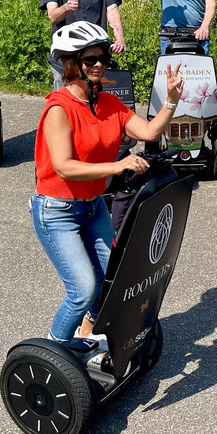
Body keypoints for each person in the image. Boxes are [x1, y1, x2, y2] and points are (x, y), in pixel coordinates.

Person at [32, 20, 184, 343]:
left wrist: (171, 100)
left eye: (103, 58)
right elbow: (64, 167)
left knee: (112, 278)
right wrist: (117, 167)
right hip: (56, 211)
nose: (99, 64)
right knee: (83, 289)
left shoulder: (110, 105)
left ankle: (87, 330)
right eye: (90, 60)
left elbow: (150, 132)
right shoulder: (59, 108)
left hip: (91, 208)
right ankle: (54, 352)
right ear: (69, 63)